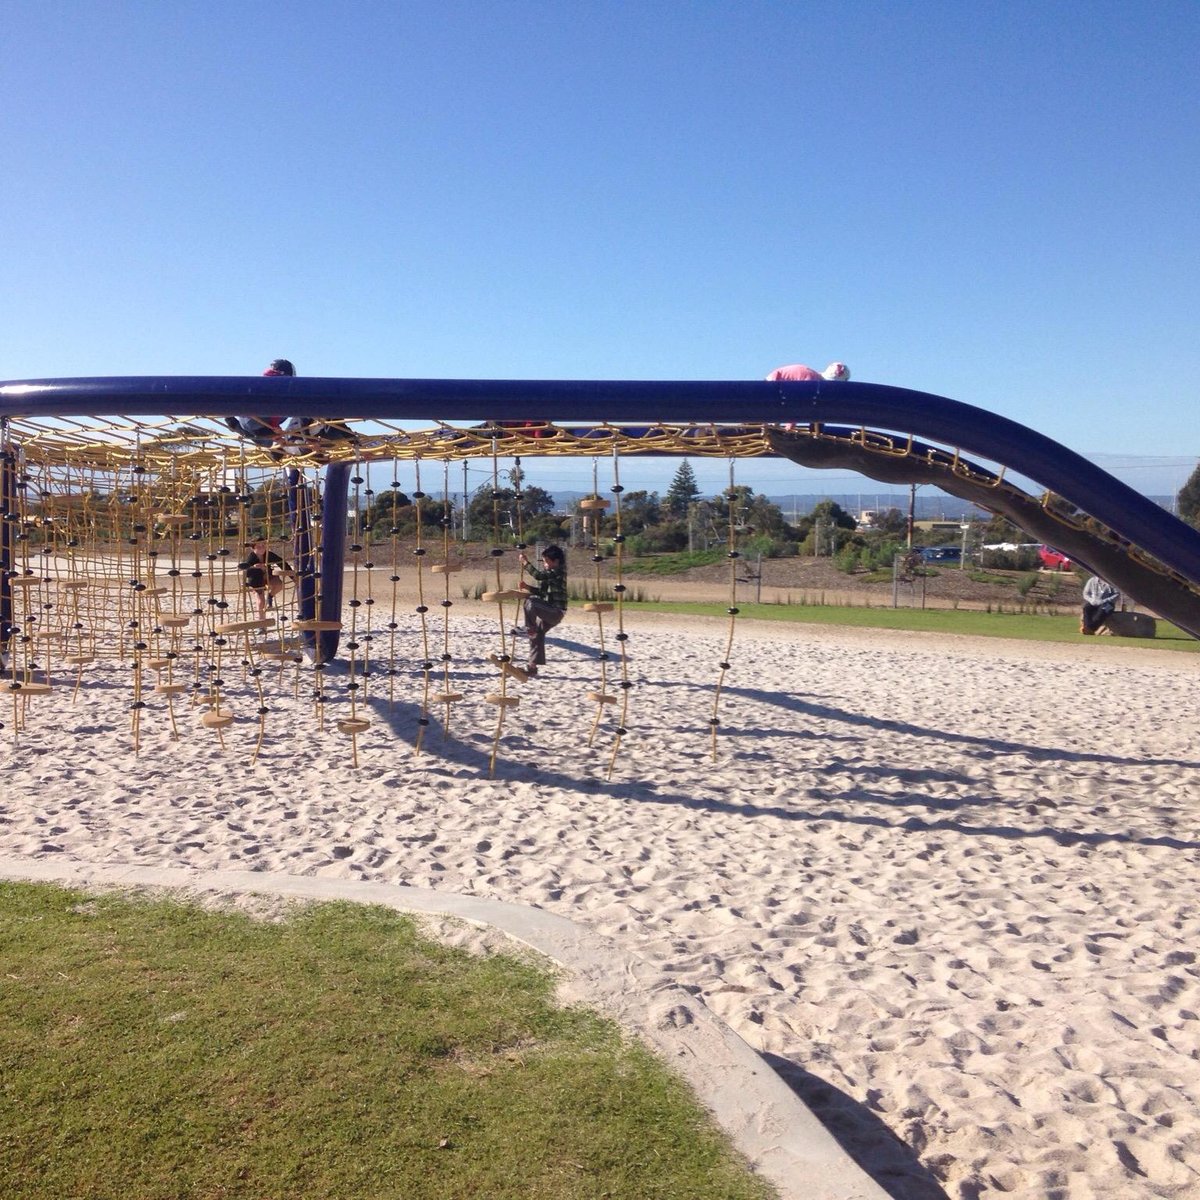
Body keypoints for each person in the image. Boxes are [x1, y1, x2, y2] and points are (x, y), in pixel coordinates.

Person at [515, 545, 567, 677]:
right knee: (536, 635)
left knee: (530, 601)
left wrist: (525, 563)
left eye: (546, 561)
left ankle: (529, 627)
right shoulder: (550, 576)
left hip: (555, 612)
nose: (544, 564)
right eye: (543, 561)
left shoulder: (558, 572)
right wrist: (527, 587)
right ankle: (532, 667)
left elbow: (538, 575)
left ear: (556, 562)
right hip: (549, 611)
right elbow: (541, 592)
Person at [223, 359, 294, 451]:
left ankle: (233, 423)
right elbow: (277, 406)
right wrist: (275, 428)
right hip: (257, 421)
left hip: (245, 418)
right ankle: (233, 423)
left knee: (266, 442)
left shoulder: (262, 381)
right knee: (290, 409)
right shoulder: (281, 384)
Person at [238, 538, 293, 619]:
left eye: (263, 545)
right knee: (261, 602)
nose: (262, 548)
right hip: (256, 580)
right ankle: (261, 622)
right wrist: (254, 567)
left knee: (279, 585)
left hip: (268, 576)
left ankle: (270, 596)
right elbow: (246, 573)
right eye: (258, 546)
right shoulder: (251, 557)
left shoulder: (268, 554)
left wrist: (292, 577)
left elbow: (282, 563)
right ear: (253, 548)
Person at [765, 362, 851, 382]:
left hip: (771, 380)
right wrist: (790, 426)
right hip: (773, 382)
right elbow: (799, 403)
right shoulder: (810, 381)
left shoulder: (812, 375)